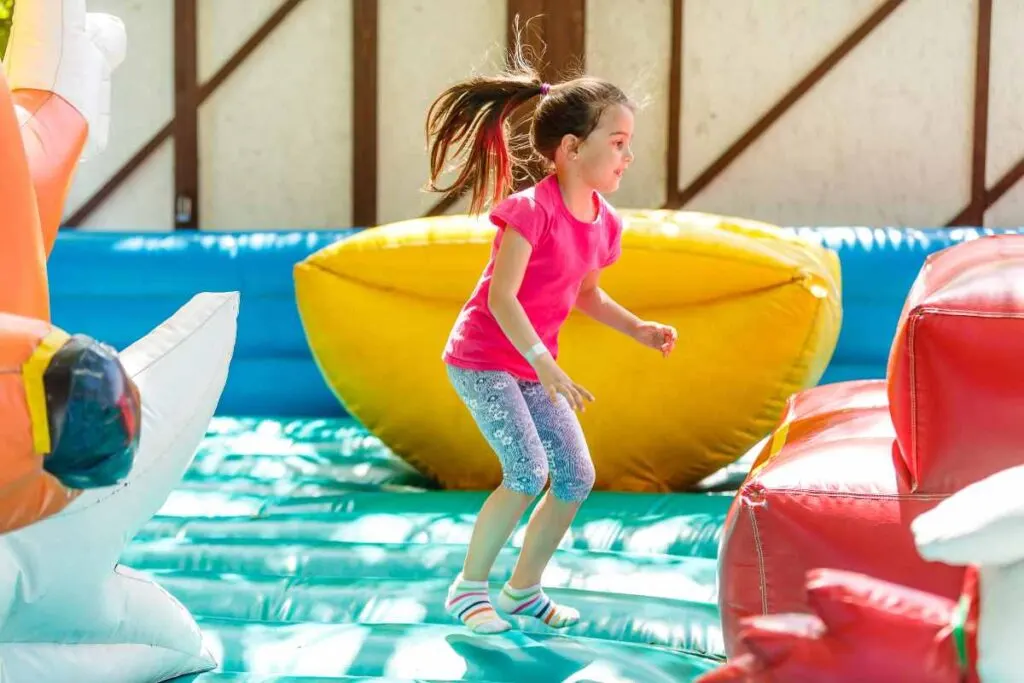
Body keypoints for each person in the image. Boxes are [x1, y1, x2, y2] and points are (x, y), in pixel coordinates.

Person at [424, 40, 678, 635]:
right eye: (617, 144)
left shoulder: (604, 223)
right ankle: (468, 590)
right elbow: (500, 298)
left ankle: (522, 590)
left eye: (627, 144)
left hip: (534, 365)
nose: (628, 156)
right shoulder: (529, 212)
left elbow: (587, 294)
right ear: (569, 150)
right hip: (485, 358)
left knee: (575, 475)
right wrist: (543, 362)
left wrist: (637, 328)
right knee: (525, 469)